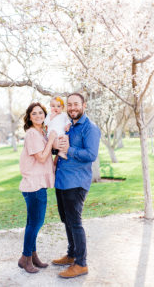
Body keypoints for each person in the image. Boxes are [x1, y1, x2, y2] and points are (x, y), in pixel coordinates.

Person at [52, 93, 101, 279]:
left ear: (84, 105)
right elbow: (60, 146)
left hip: (76, 182)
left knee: (75, 222)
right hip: (62, 181)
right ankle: (72, 254)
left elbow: (90, 154)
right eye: (69, 105)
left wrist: (68, 150)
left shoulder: (90, 128)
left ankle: (81, 264)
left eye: (76, 104)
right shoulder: (68, 125)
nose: (72, 108)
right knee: (66, 220)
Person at [18, 102, 56, 274]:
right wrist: (52, 139)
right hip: (33, 186)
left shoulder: (42, 132)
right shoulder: (32, 134)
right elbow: (41, 158)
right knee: (36, 223)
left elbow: (46, 158)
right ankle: (25, 258)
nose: (38, 116)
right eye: (34, 113)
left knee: (32, 223)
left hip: (38, 183)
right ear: (29, 117)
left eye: (41, 113)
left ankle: (32, 256)